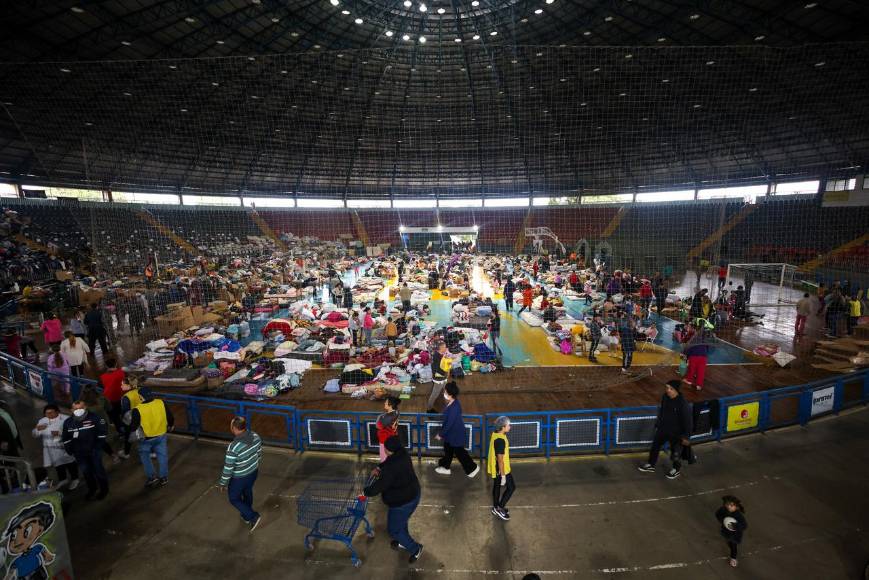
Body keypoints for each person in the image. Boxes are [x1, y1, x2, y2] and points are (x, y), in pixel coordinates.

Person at [363, 436, 424, 563]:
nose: (384, 450)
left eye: (385, 448)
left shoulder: (391, 468)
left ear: (389, 450)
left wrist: (365, 491)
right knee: (401, 522)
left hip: (402, 502)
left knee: (394, 529)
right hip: (413, 493)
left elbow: (378, 487)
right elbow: (389, 462)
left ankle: (415, 549)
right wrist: (380, 467)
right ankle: (404, 542)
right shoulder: (402, 453)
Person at [638, 380, 692, 479]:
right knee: (655, 446)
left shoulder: (682, 404)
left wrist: (686, 436)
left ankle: (676, 469)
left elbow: (687, 421)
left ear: (676, 390)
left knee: (675, 452)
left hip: (676, 433)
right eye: (667, 387)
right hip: (663, 428)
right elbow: (662, 411)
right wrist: (658, 424)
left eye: (670, 388)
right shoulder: (665, 397)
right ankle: (651, 464)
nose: (668, 390)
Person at [218, 416, 263, 531]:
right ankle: (246, 515)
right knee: (247, 492)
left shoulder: (233, 447)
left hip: (240, 477)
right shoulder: (255, 436)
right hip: (253, 472)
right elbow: (259, 454)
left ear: (233, 428)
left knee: (234, 498)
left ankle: (253, 516)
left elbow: (228, 468)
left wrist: (223, 483)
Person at [61, 400, 109, 500]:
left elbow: (102, 433)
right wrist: (70, 450)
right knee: (86, 472)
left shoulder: (95, 418)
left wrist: (97, 448)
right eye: (75, 408)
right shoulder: (68, 422)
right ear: (71, 410)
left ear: (85, 407)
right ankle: (92, 489)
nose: (78, 410)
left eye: (81, 408)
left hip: (94, 451)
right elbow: (66, 438)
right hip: (79, 453)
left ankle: (104, 489)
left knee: (98, 471)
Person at [128, 387, 175, 488]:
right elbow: (170, 416)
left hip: (146, 438)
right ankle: (163, 477)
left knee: (146, 458)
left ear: (140, 397)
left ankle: (152, 477)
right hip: (161, 434)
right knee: (162, 456)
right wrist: (171, 425)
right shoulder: (160, 402)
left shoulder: (138, 409)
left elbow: (133, 427)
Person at [434, 382, 479, 478]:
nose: (444, 393)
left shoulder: (454, 407)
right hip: (451, 435)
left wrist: (440, 434)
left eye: (445, 392)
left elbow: (449, 424)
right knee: (448, 450)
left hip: (455, 435)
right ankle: (445, 467)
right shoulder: (453, 402)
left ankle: (472, 468)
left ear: (450, 394)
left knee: (460, 453)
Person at [32, 404, 79, 489]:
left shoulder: (66, 419)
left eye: (51, 413)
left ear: (57, 412)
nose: (49, 415)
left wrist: (60, 433)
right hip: (50, 449)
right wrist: (37, 430)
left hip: (64, 447)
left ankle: (75, 479)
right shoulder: (42, 420)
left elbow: (75, 432)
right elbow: (35, 434)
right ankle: (63, 479)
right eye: (46, 413)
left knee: (70, 463)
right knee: (58, 464)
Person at [100, 359, 130, 458]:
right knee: (124, 414)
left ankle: (120, 431)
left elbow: (100, 385)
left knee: (114, 416)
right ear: (116, 363)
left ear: (106, 365)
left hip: (109, 400)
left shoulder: (103, 376)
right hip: (121, 398)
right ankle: (127, 430)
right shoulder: (121, 373)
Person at [488, 415, 515, 521]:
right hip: (501, 469)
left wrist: (498, 421)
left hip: (495, 468)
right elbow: (500, 460)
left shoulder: (496, 434)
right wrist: (503, 475)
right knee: (511, 487)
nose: (510, 427)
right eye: (508, 425)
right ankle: (500, 508)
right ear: (503, 427)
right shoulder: (500, 440)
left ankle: (495, 507)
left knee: (497, 487)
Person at [715, 495, 748, 568]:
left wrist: (735, 526)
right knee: (728, 542)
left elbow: (744, 525)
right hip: (726, 531)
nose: (729, 506)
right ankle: (729, 543)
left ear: (736, 506)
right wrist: (723, 520)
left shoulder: (738, 515)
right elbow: (717, 514)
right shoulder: (723, 509)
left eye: (731, 505)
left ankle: (733, 558)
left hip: (735, 534)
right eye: (727, 504)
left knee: (733, 546)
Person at [683, 322, 711, 391]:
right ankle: (699, 385)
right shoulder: (705, 339)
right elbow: (707, 347)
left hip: (694, 356)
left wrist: (686, 355)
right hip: (703, 357)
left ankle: (689, 380)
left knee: (691, 369)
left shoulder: (693, 338)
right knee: (701, 371)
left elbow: (688, 348)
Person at [427, 342, 451, 413]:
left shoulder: (438, 355)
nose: (446, 348)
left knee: (444, 389)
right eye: (445, 347)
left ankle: (446, 402)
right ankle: (429, 409)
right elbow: (439, 368)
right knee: (434, 394)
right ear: (441, 348)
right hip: (439, 378)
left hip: (442, 377)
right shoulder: (437, 356)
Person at [376, 396, 401, 463]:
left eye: (386, 402)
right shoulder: (396, 412)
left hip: (385, 440)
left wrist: (380, 417)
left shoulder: (387, 417)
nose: (384, 403)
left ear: (390, 405)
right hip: (392, 438)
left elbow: (378, 426)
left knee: (384, 460)